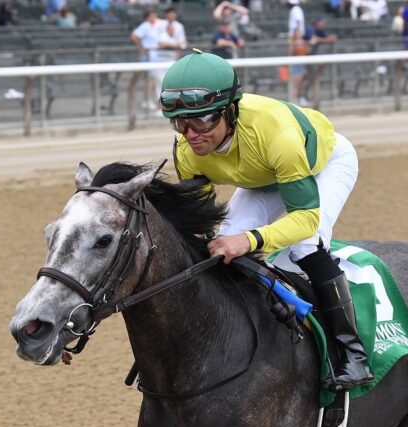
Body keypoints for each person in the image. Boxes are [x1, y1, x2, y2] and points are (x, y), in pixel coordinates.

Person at [159, 50, 374, 390]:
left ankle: (353, 354)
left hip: (322, 165)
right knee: (220, 245)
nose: (191, 134)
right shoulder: (186, 149)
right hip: (261, 178)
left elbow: (304, 219)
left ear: (230, 110)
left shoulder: (277, 134)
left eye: (201, 121)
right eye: (181, 123)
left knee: (306, 244)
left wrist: (249, 240)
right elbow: (198, 218)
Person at [131, 10, 163, 109]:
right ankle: (147, 100)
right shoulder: (145, 26)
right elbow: (134, 36)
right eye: (152, 15)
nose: (154, 17)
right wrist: (141, 48)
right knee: (148, 79)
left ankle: (150, 99)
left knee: (152, 79)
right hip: (147, 57)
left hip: (154, 57)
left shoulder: (154, 27)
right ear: (147, 17)